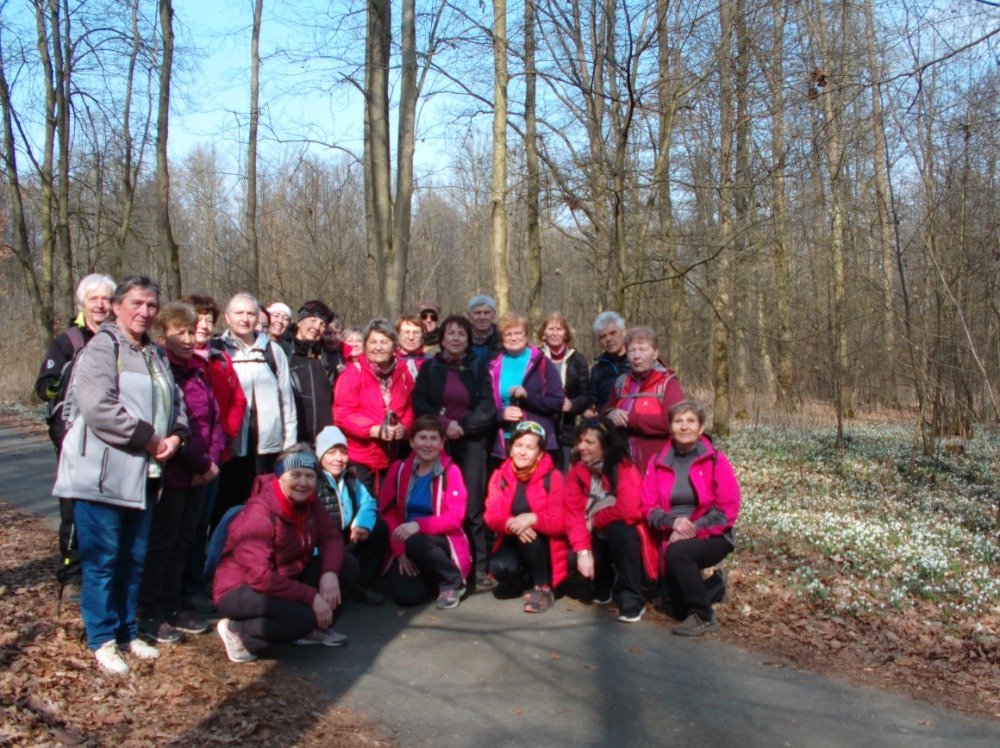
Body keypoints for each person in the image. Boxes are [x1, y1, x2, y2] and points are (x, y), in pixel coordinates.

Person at [52, 275, 189, 675]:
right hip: (101, 476)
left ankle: (127, 631)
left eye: (151, 305)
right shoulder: (101, 348)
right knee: (103, 561)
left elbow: (176, 403)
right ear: (117, 307)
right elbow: (98, 407)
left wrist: (177, 437)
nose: (144, 311)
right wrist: (150, 439)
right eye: (136, 303)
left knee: (134, 558)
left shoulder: (156, 353)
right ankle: (102, 639)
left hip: (144, 476)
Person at [213, 448, 358, 661]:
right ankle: (238, 632)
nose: (303, 482)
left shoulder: (310, 502)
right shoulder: (259, 513)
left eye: (309, 476)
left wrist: (329, 573)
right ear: (280, 477)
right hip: (241, 588)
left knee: (346, 564)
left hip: (286, 577)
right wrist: (311, 596)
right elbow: (260, 577)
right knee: (301, 618)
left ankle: (312, 629)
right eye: (295, 475)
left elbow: (331, 537)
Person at [138, 302, 224, 643]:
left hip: (202, 472)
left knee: (184, 542)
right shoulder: (161, 372)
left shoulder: (198, 370)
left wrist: (212, 462)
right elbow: (171, 425)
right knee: (162, 544)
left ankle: (172, 607)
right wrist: (200, 464)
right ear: (163, 335)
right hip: (174, 472)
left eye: (191, 332)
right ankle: (150, 612)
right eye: (180, 332)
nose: (189, 339)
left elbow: (214, 420)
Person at [35, 272, 116, 597]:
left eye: (106, 298)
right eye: (94, 298)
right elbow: (44, 386)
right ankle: (72, 572)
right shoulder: (67, 341)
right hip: (73, 435)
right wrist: (61, 386)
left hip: (113, 436)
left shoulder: (122, 339)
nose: (101, 305)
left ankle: (107, 571)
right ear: (82, 303)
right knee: (74, 504)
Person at [641, 400, 740, 636]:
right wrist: (673, 523)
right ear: (670, 427)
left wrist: (691, 529)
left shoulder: (716, 460)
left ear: (701, 427)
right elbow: (648, 507)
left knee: (678, 553)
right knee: (677, 608)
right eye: (678, 421)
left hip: (713, 535)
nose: (684, 427)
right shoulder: (657, 462)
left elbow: (727, 510)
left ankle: (704, 617)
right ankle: (715, 585)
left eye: (691, 421)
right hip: (671, 534)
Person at [412, 315, 496, 590]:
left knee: (472, 504)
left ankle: (479, 566)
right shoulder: (430, 367)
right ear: (442, 338)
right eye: (451, 333)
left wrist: (462, 427)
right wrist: (445, 424)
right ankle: (447, 563)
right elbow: (420, 402)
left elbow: (487, 407)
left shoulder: (477, 368)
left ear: (468, 339)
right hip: (437, 442)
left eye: (462, 333)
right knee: (440, 502)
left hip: (470, 442)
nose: (456, 338)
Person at [178, 293, 248, 613]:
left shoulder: (220, 359)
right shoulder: (175, 359)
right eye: (198, 319)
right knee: (180, 525)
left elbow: (236, 401)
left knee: (204, 523)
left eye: (209, 320)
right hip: (183, 456)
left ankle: (196, 583)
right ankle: (173, 588)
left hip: (217, 455)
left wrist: (225, 437)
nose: (204, 325)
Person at [212, 293, 297, 528]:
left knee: (262, 511)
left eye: (250, 313)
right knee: (226, 513)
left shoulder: (272, 351)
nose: (245, 319)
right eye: (239, 313)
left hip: (267, 448)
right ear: (227, 318)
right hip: (229, 449)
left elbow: (287, 402)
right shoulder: (216, 350)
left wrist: (289, 445)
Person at [563, 417, 657, 623]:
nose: (581, 447)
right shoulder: (577, 471)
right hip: (593, 531)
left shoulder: (624, 467)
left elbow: (630, 510)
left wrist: (596, 519)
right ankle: (601, 585)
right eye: (580, 441)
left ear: (605, 444)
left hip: (621, 530)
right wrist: (583, 552)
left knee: (621, 532)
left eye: (589, 442)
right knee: (571, 556)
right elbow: (572, 513)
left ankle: (631, 598)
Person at [379, 416, 471, 609]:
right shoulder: (398, 469)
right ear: (412, 442)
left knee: (417, 541)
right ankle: (432, 579)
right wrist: (400, 551)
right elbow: (387, 512)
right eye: (422, 437)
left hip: (439, 541)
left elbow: (455, 518)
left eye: (433, 438)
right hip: (405, 542)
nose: (428, 444)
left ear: (442, 443)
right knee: (406, 597)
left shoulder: (451, 471)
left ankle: (453, 581)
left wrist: (418, 526)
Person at [484, 422, 567, 613]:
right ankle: (525, 581)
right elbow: (491, 515)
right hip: (512, 537)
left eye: (530, 447)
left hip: (545, 544)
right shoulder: (499, 476)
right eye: (518, 445)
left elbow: (560, 522)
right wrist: (512, 523)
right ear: (510, 449)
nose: (522, 452)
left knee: (529, 535)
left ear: (540, 453)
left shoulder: (553, 476)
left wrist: (533, 519)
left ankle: (543, 587)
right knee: (499, 567)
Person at [334, 318, 415, 495]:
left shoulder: (403, 374)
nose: (378, 347)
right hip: (360, 458)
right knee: (365, 507)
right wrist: (373, 430)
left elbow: (408, 409)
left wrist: (404, 427)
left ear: (394, 345)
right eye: (373, 342)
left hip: (391, 458)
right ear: (365, 345)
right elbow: (342, 413)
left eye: (384, 342)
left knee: (388, 507)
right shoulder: (353, 373)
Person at [314, 426, 389, 606]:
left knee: (379, 528)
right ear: (320, 455)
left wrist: (361, 523)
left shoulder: (350, 478)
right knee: (347, 562)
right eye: (332, 452)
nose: (339, 458)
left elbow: (368, 502)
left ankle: (360, 585)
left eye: (343, 452)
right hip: (320, 546)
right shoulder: (313, 481)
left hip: (344, 537)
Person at [603, 325, 684, 473]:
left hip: (658, 466)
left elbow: (674, 422)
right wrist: (611, 414)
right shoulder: (621, 382)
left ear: (655, 353)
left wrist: (631, 419)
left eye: (643, 349)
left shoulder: (668, 383)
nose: (636, 356)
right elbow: (604, 413)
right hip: (623, 466)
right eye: (631, 350)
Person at [488, 312, 565, 460]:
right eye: (508, 334)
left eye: (518, 333)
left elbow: (557, 402)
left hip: (535, 442)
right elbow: (485, 405)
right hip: (503, 442)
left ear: (526, 335)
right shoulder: (493, 366)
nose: (514, 338)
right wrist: (501, 414)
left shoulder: (542, 363)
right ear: (501, 338)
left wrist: (528, 397)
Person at [538, 312, 590, 472]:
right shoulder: (535, 358)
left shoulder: (578, 360)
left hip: (567, 430)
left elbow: (586, 396)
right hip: (540, 427)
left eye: (559, 329)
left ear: (566, 333)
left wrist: (572, 405)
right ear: (543, 334)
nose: (555, 333)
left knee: (563, 476)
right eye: (550, 329)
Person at [288, 300, 335, 442]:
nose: (317, 327)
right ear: (299, 322)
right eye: (313, 320)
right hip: (292, 441)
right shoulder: (283, 351)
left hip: (323, 441)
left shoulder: (326, 357)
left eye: (322, 324)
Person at [587, 311, 629, 415]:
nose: (608, 339)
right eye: (603, 336)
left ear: (624, 332)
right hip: (605, 421)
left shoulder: (638, 362)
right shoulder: (597, 370)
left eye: (612, 333)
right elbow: (592, 404)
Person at [467, 294, 501, 363]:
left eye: (486, 313)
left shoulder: (502, 337)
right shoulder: (462, 337)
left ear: (494, 314)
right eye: (477, 313)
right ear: (469, 315)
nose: (482, 317)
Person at [395, 314, 427, 380]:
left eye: (416, 332)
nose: (411, 337)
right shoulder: (389, 362)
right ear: (398, 334)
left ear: (422, 335)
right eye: (406, 332)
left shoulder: (430, 362)